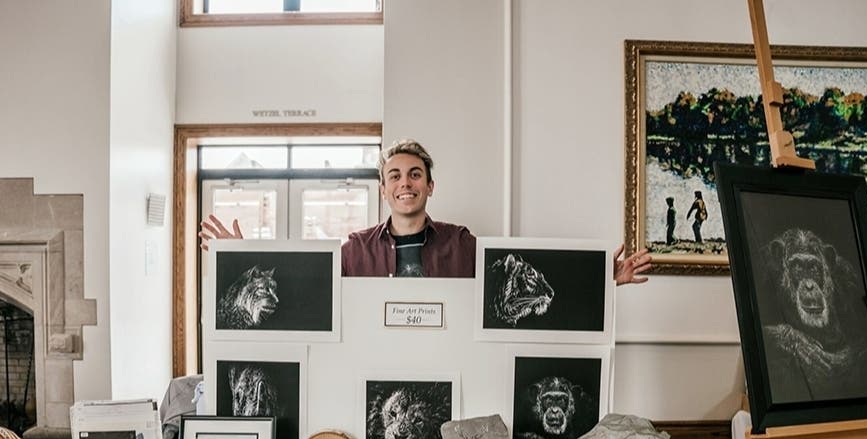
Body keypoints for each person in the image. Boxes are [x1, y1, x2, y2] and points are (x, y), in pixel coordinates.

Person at [200, 138, 653, 284]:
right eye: (394, 176)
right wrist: (240, 255)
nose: (405, 183)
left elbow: (523, 277)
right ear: (384, 190)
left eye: (414, 174)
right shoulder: (357, 249)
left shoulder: (461, 243)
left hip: (449, 365)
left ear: (430, 186)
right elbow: (303, 281)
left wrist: (604, 277)